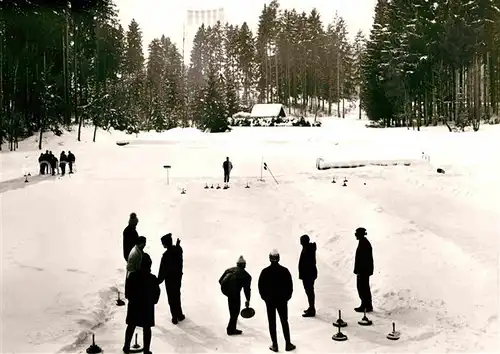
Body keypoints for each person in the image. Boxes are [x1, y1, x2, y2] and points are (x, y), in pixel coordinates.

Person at [258, 249, 296, 352]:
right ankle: (288, 343)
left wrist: (265, 298)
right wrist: (287, 297)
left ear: (269, 259)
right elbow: (290, 286)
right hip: (282, 301)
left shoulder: (265, 272)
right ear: (279, 258)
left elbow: (261, 287)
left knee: (272, 322)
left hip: (270, 301)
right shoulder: (284, 271)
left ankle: (275, 345)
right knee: (284, 321)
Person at [123, 253, 160, 354]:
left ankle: (126, 347)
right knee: (147, 329)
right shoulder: (152, 278)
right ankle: (146, 351)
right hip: (147, 307)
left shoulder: (132, 276)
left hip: (134, 306)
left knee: (131, 326)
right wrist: (152, 302)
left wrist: (131, 299)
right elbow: (157, 293)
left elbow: (127, 292)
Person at [219, 256, 251, 335]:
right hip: (235, 293)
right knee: (235, 311)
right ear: (244, 265)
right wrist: (247, 299)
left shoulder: (229, 270)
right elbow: (246, 289)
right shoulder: (246, 276)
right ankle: (230, 329)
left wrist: (228, 290)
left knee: (232, 309)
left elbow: (220, 280)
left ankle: (232, 326)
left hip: (228, 292)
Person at [157, 233, 185, 324]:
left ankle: (174, 316)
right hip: (177, 277)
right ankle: (180, 314)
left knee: (171, 297)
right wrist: (177, 246)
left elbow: (163, 271)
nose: (162, 244)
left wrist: (158, 280)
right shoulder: (178, 250)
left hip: (169, 280)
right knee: (177, 295)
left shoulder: (165, 256)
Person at [353, 227, 373, 312]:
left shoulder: (364, 243)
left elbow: (364, 259)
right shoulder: (363, 242)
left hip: (363, 271)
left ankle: (366, 305)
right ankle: (365, 304)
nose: (355, 235)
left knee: (363, 287)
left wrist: (360, 270)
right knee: (363, 287)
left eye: (356, 234)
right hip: (363, 270)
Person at [298, 234, 317, 317]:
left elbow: (308, 263)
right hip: (308, 274)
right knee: (309, 291)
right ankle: (311, 307)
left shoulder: (308, 249)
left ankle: (312, 309)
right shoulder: (307, 248)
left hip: (308, 275)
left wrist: (304, 273)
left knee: (309, 292)